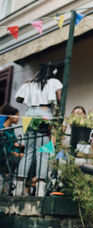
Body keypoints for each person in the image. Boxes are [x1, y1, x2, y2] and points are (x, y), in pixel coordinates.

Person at [15, 63, 62, 196]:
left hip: (28, 115)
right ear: (52, 72)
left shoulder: (29, 84)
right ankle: (40, 191)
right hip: (44, 114)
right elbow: (59, 98)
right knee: (43, 153)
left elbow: (19, 98)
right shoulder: (54, 81)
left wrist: (32, 84)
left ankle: (19, 189)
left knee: (28, 152)